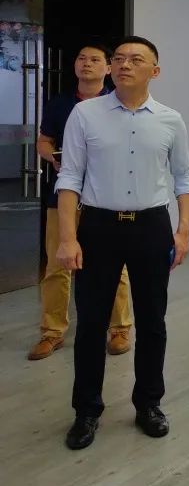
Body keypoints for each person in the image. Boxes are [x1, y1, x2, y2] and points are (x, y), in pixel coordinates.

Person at [55, 36, 189, 450]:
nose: (124, 65)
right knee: (91, 323)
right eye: (118, 58)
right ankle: (86, 411)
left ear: (155, 71)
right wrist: (67, 237)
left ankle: (149, 403)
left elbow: (184, 177)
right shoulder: (85, 114)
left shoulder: (170, 119)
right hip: (98, 226)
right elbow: (70, 177)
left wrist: (183, 231)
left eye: (136, 59)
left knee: (153, 321)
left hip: (151, 226)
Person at [29, 42, 134, 361]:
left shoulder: (119, 103)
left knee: (115, 265)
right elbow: (43, 141)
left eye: (95, 59)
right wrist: (54, 157)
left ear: (108, 68)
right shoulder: (59, 104)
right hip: (64, 195)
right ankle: (52, 332)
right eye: (81, 58)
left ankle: (119, 328)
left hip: (107, 197)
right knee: (57, 264)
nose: (86, 63)